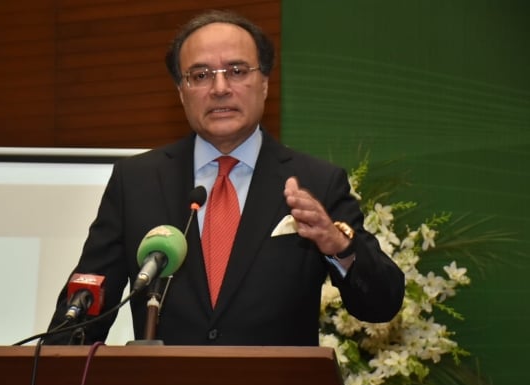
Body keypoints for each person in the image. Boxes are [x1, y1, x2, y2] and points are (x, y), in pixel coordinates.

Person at [45, 10, 404, 346]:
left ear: (264, 82)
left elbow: (382, 304)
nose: (219, 89)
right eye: (200, 75)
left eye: (236, 71)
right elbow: (85, 305)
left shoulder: (316, 181)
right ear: (181, 92)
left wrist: (339, 247)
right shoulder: (137, 181)